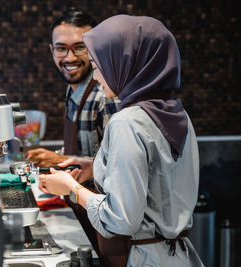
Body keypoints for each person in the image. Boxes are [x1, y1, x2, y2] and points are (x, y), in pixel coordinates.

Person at [38, 14, 204, 266]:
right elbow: (157, 179)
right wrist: (92, 167)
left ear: (125, 63)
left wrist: (72, 189)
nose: (95, 77)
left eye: (98, 66)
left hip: (142, 258)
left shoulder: (126, 121)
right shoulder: (176, 113)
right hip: (176, 255)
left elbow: (120, 219)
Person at [26, 8, 118, 167]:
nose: (70, 58)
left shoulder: (106, 96)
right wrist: (54, 156)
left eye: (80, 47)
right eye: (61, 48)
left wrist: (61, 160)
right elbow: (83, 150)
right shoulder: (73, 90)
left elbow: (117, 166)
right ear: (52, 50)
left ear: (95, 48)